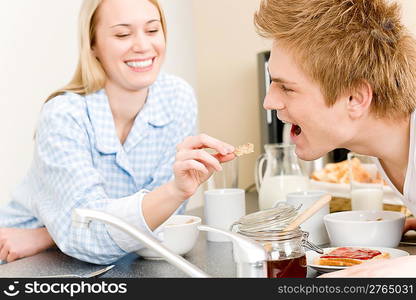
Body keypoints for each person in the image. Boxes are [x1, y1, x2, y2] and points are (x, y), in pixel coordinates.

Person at [0, 0, 235, 264]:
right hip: (16, 256)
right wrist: (174, 191)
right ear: (93, 45)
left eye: (152, 30)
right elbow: (88, 238)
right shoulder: (64, 115)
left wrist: (47, 235)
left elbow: (162, 220)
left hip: (80, 254)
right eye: (122, 34)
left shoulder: (177, 99)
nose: (143, 45)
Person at [254, 0, 416, 277]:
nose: (269, 101)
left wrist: (389, 272)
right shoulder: (383, 144)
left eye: (287, 88)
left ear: (355, 98)